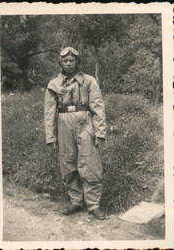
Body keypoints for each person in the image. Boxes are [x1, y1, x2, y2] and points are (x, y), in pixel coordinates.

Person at [44, 47, 106, 220]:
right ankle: (76, 201)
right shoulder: (54, 84)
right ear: (61, 62)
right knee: (68, 162)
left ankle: (93, 205)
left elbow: (98, 107)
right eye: (65, 61)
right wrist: (50, 136)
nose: (69, 63)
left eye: (72, 60)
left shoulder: (89, 81)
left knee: (89, 162)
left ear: (78, 62)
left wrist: (100, 132)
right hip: (63, 122)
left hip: (85, 121)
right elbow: (49, 112)